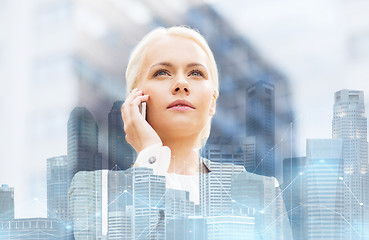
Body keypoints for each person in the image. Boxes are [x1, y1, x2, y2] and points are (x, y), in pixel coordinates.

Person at [121, 26, 292, 239]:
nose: (181, 84)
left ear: (212, 102)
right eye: (162, 73)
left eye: (196, 73)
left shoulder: (260, 192)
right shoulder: (97, 192)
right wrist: (150, 157)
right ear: (135, 100)